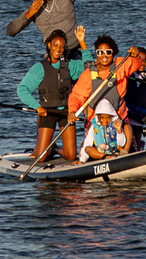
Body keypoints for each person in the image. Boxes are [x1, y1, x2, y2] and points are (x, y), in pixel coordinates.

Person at [16, 26, 91, 162]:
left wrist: (82, 43)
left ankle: (54, 148)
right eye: (55, 45)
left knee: (70, 155)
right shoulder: (39, 67)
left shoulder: (70, 65)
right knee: (41, 158)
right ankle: (46, 150)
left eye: (62, 46)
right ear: (49, 45)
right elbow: (22, 89)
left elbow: (89, 66)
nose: (58, 49)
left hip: (66, 113)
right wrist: (37, 106)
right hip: (47, 112)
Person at [67, 34, 143, 154]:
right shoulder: (88, 74)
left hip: (118, 118)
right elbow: (76, 96)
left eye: (108, 52)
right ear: (96, 54)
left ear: (113, 53)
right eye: (100, 52)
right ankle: (93, 152)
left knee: (127, 126)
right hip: (96, 121)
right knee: (92, 146)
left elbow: (135, 64)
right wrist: (72, 111)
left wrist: (135, 55)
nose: (104, 56)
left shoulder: (120, 65)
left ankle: (125, 153)